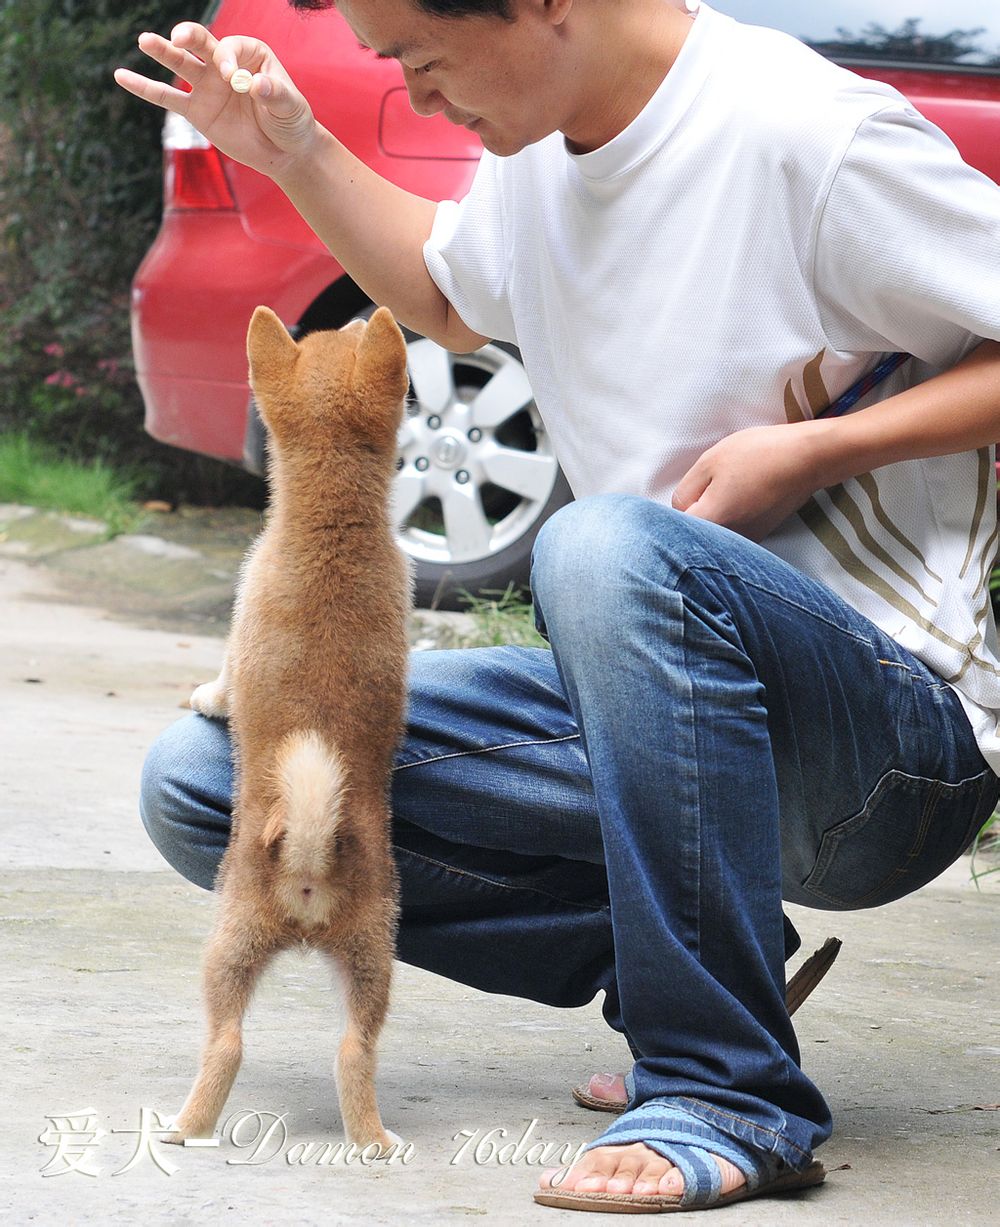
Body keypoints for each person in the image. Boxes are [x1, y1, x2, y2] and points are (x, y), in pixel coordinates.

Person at [117, 0, 1000, 1212]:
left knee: (600, 548)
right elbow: (448, 298)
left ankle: (723, 1088)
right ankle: (696, 966)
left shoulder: (808, 135)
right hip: (658, 715)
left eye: (420, 56)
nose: (417, 95)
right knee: (213, 785)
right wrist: (292, 148)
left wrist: (818, 450)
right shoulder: (542, 150)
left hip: (885, 755)